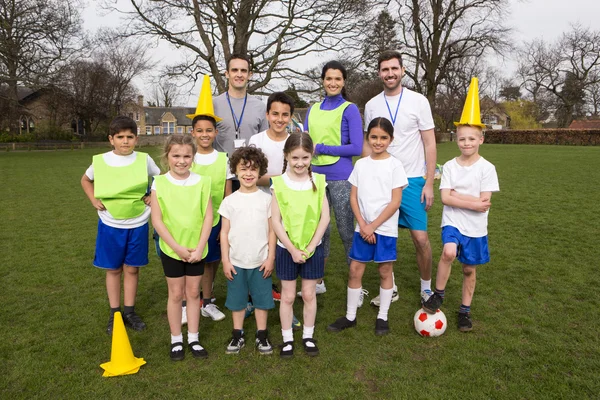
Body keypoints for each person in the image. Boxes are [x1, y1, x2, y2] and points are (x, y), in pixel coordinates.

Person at [422, 77, 499, 332]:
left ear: (481, 140)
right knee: (449, 252)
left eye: (471, 139)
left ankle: (464, 311)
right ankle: (439, 294)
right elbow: (445, 198)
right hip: (453, 221)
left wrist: (462, 198)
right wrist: (472, 201)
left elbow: (485, 203)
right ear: (457, 139)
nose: (466, 143)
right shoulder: (450, 166)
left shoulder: (488, 169)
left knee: (468, 270)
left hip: (476, 227)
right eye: (462, 139)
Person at [363, 50, 437, 307]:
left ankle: (426, 289)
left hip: (413, 180)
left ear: (403, 70)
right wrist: (364, 177)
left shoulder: (419, 101)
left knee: (420, 238)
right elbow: (368, 142)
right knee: (384, 236)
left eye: (394, 68)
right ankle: (390, 287)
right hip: (381, 182)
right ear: (379, 73)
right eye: (385, 69)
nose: (390, 73)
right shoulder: (372, 104)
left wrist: (429, 182)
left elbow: (429, 143)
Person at [327, 117, 407, 336]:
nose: (378, 142)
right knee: (354, 270)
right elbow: (353, 198)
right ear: (367, 138)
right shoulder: (361, 164)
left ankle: (383, 316)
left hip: (384, 229)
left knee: (385, 270)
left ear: (391, 139)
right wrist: (363, 225)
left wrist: (373, 226)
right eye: (374, 137)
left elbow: (395, 202)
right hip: (362, 228)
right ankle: (350, 316)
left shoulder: (395, 165)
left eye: (383, 138)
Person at [80, 116, 160, 335]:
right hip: (110, 223)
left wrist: (151, 196)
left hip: (138, 221)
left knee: (132, 269)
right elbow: (85, 180)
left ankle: (130, 311)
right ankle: (115, 313)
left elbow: (161, 179)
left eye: (130, 137)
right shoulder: (100, 161)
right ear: (111, 139)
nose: (125, 141)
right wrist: (93, 199)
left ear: (136, 138)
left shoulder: (144, 160)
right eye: (120, 137)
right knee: (114, 269)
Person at [303, 60, 363, 298]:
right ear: (323, 81)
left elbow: (356, 147)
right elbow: (307, 144)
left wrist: (323, 148)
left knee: (347, 231)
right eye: (329, 78)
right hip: (315, 177)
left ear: (344, 82)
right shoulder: (312, 109)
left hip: (341, 177)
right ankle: (318, 280)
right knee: (320, 231)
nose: (333, 83)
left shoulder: (349, 109)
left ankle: (355, 287)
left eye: (338, 79)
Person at [151, 134, 213, 361]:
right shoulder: (159, 183)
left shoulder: (203, 182)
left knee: (193, 293)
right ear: (167, 156)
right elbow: (157, 220)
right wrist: (176, 248)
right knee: (176, 294)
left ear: (193, 157)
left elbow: (208, 217)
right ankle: (176, 339)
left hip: (197, 249)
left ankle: (194, 338)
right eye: (176, 155)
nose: (181, 160)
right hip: (172, 249)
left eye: (187, 156)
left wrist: (199, 247)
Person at [271, 133, 330, 358]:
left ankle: (307, 335)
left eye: (305, 158)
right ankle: (287, 339)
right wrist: (293, 249)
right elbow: (275, 220)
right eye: (295, 158)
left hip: (312, 249)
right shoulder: (279, 183)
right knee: (287, 296)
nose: (300, 163)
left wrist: (312, 246)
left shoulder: (318, 181)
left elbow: (325, 218)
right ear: (286, 156)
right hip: (287, 249)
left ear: (311, 156)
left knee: (308, 294)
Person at [248, 92, 302, 329]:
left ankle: (286, 304)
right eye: (275, 114)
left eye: (285, 115)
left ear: (291, 117)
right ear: (267, 114)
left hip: (289, 209)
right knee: (259, 254)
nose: (280, 119)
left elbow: (301, 172)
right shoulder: (256, 140)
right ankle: (256, 299)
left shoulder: (295, 140)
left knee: (282, 255)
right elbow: (250, 176)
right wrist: (279, 180)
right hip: (260, 204)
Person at [219, 146, 276, 354]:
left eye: (253, 169)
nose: (248, 173)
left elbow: (272, 232)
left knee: (262, 300)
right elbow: (224, 233)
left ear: (260, 171)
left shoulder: (267, 199)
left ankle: (262, 335)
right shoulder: (229, 201)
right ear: (235, 171)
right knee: (237, 301)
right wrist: (225, 261)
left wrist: (271, 258)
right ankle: (238, 334)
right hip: (236, 262)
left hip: (261, 261)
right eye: (243, 169)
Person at [188, 75, 234, 323]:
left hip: (215, 219)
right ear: (192, 132)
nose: (204, 135)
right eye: (199, 130)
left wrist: (224, 222)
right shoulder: (187, 158)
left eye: (209, 130)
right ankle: (188, 301)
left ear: (216, 132)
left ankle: (208, 300)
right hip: (189, 220)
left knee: (211, 261)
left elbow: (227, 192)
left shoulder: (222, 158)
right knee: (188, 259)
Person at [213, 53, 269, 158]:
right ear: (227, 74)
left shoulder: (260, 107)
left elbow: (265, 143)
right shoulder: (214, 105)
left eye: (243, 71)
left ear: (249, 75)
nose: (239, 74)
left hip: (250, 170)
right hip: (220, 171)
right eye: (234, 70)